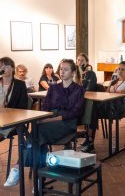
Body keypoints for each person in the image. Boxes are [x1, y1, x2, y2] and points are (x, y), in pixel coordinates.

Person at [5, 59, 85, 187]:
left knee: (37, 132)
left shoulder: (78, 89)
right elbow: (45, 108)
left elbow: (75, 113)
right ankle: (39, 180)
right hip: (49, 121)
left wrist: (50, 119)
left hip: (67, 123)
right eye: (61, 69)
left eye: (66, 69)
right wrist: (45, 117)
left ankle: (18, 168)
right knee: (38, 137)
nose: (62, 71)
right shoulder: (54, 88)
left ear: (73, 73)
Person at [81, 61, 125, 153]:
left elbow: (123, 94)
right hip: (109, 104)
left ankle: (88, 139)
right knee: (91, 109)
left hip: (118, 107)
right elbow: (106, 94)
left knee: (93, 110)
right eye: (118, 69)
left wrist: (111, 92)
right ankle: (90, 141)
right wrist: (110, 88)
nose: (120, 71)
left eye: (123, 69)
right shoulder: (114, 82)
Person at [0, 57, 28, 142]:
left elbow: (23, 108)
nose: (3, 69)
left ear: (12, 69)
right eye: (1, 66)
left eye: (6, 66)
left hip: (12, 121)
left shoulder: (20, 85)